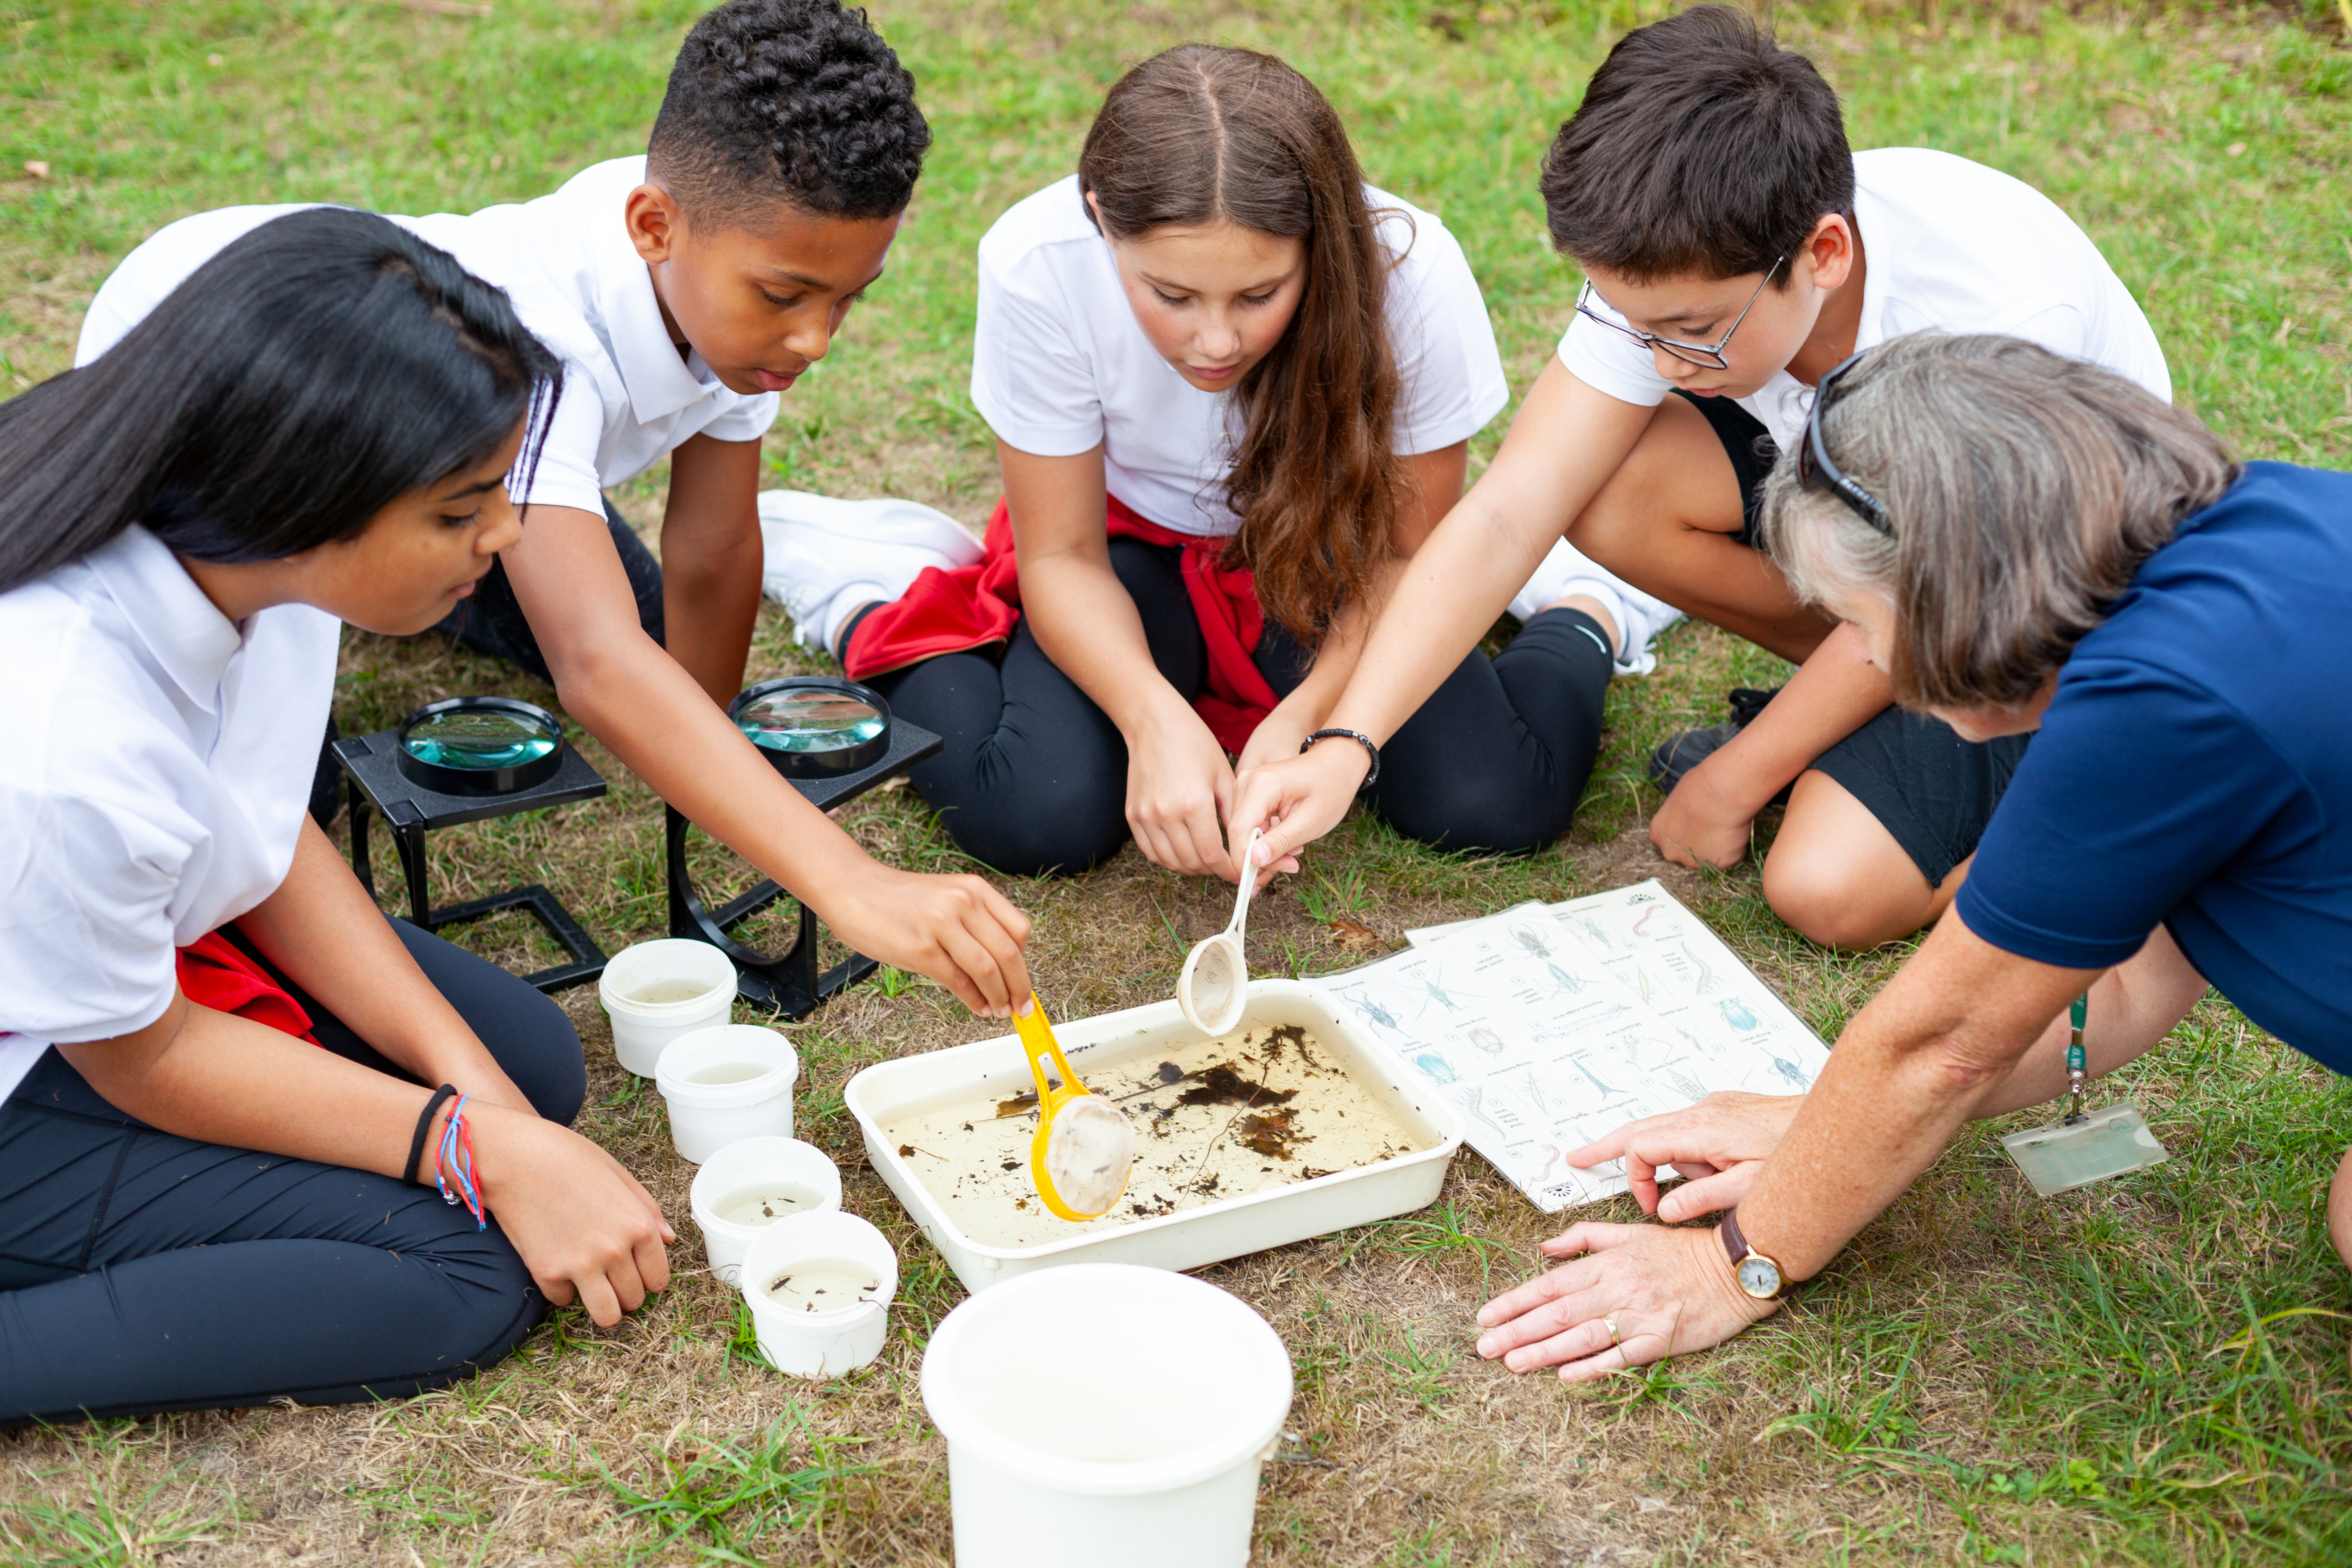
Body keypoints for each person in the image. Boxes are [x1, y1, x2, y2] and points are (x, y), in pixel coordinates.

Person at [70, 0, 1034, 1017]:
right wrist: (845, 879)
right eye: (788, 297)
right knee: (274, 816)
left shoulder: (723, 255)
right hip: (232, 387)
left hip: (452, 451)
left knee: (659, 659)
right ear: (653, 228)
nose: (816, 342)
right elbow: (597, 665)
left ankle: (446, 567)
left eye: (847, 300)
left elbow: (712, 547)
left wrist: (706, 783)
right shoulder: (540, 346)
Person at [1459, 334, 2352, 1381]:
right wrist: (1820, 1129)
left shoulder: (2154, 706)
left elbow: (1944, 1042)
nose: (1866, 661)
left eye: (1855, 620)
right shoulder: (2250, 526)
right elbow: (2123, 976)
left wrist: (1731, 1268)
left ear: (1956, 591)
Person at [1230, 5, 2170, 948]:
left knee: (1823, 891)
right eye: (1634, 327)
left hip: (2044, 618)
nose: (1660, 360)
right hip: (1881, 544)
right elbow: (1509, 513)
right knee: (1608, 486)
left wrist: (1738, 777)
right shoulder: (1679, 259)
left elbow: (1935, 600)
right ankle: (1852, 709)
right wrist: (1348, 744)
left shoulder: (1992, 320)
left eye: (1688, 330)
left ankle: (2049, 824)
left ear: (1823, 255)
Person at [0, 211, 680, 1426]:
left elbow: (257, 831)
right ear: (306, 493)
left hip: (98, 960)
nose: (506, 535)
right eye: (461, 508)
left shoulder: (246, 554)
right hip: (56, 1051)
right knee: (466, 1270)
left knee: (527, 1067)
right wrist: (478, 1153)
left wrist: (477, 1100)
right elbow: (147, 1055)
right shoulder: (63, 732)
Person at [763, 42, 1677, 880]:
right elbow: (1062, 557)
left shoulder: (1413, 273)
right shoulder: (1036, 261)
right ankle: (875, 588)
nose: (1212, 340)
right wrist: (1150, 719)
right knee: (1037, 816)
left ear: (1319, 241)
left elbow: (1405, 557)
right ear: (1101, 223)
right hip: (1128, 553)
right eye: (1168, 294)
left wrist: (1312, 718)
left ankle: (1583, 604)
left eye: (1258, 294)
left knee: (1491, 803)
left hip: (1331, 557)